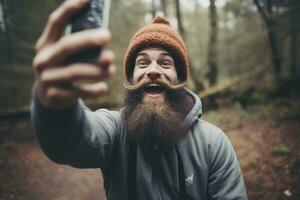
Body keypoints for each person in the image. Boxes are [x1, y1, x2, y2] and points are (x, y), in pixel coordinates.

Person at [31, 0, 248, 199]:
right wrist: (57, 109)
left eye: (165, 63)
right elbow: (72, 142)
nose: (153, 71)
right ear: (132, 78)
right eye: (142, 63)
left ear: (180, 78)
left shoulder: (213, 143)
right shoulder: (115, 129)